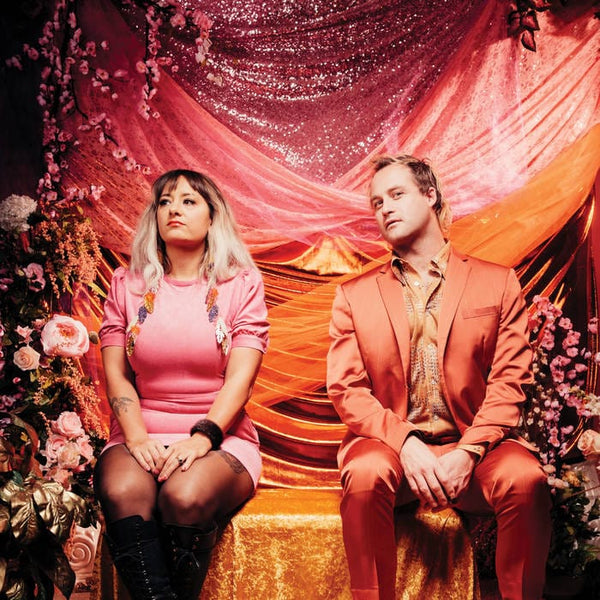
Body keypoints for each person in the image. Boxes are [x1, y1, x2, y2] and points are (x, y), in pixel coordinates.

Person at [326, 154, 551, 600]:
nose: (385, 208)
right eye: (376, 203)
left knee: (526, 480)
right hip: (391, 450)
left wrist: (468, 452)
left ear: (430, 195)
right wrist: (406, 443)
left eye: (396, 194)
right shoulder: (353, 296)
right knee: (365, 472)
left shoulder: (497, 282)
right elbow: (347, 389)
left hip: (476, 448)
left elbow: (510, 380)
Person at [95, 169, 269, 600]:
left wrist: (202, 438)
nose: (174, 209)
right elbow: (116, 375)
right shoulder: (126, 284)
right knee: (121, 490)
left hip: (220, 435)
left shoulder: (241, 284)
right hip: (139, 431)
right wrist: (137, 438)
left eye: (189, 201)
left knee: (184, 495)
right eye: (165, 202)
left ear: (213, 217)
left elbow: (241, 380)